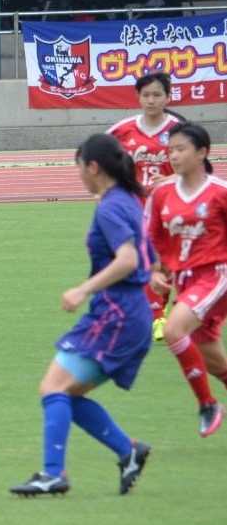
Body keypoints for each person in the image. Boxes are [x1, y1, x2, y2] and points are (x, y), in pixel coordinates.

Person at [11, 133, 153, 497]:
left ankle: (53, 474)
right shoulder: (125, 200)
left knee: (53, 388)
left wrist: (82, 289)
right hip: (127, 313)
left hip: (116, 314)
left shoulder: (110, 207)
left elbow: (129, 259)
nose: (77, 174)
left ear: (93, 167)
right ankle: (128, 451)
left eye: (79, 166)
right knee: (65, 395)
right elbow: (145, 255)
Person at [144, 122, 227, 439]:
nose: (174, 156)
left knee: (174, 329)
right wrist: (155, 271)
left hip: (217, 274)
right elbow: (153, 238)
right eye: (170, 150)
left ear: (202, 152)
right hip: (186, 280)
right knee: (214, 361)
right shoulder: (162, 193)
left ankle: (207, 404)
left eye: (181, 149)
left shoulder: (219, 193)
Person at [106, 71, 184, 340]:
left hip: (172, 205)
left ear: (168, 97)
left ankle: (166, 309)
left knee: (168, 265)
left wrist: (173, 177)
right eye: (146, 95)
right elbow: (101, 157)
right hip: (135, 207)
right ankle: (156, 317)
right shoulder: (122, 129)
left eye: (157, 95)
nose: (151, 100)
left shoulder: (179, 129)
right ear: (138, 97)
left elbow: (201, 167)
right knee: (149, 260)